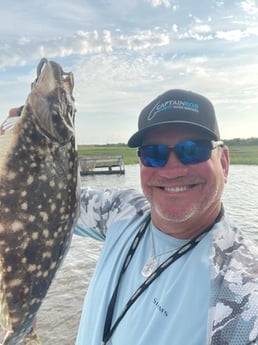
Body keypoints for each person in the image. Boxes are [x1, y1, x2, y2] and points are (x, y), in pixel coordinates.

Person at [74, 89, 258, 345]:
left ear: (224, 163)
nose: (172, 170)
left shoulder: (242, 291)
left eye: (192, 150)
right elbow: (39, 199)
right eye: (154, 153)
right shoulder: (121, 210)